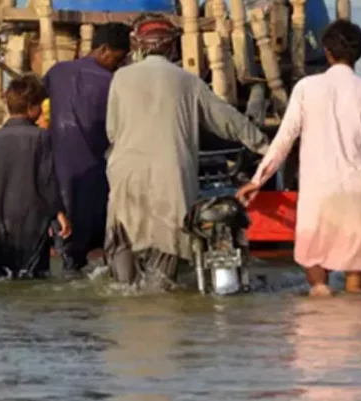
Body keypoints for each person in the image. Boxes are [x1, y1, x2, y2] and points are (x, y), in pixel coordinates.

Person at [103, 15, 270, 289]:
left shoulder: (121, 78)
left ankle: (124, 292)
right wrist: (265, 145)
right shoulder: (188, 81)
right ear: (171, 47)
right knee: (166, 254)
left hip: (126, 173)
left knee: (124, 244)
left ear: (140, 46)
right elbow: (227, 119)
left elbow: (112, 131)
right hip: (171, 176)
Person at [237, 20, 361, 297]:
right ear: (360, 53)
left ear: (327, 52)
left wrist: (258, 180)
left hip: (319, 190)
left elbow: (284, 139)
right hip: (359, 189)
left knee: (314, 263)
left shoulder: (307, 88)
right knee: (355, 278)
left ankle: (320, 302)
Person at [42, 23, 132, 272]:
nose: (120, 63)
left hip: (58, 173)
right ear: (103, 50)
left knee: (67, 245)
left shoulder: (57, 72)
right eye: (119, 57)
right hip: (94, 172)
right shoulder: (112, 83)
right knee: (96, 244)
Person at [0, 75, 72, 280]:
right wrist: (59, 213)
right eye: (40, 105)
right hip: (32, 218)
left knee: (1, 276)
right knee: (34, 275)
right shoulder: (41, 137)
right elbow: (47, 180)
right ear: (31, 107)